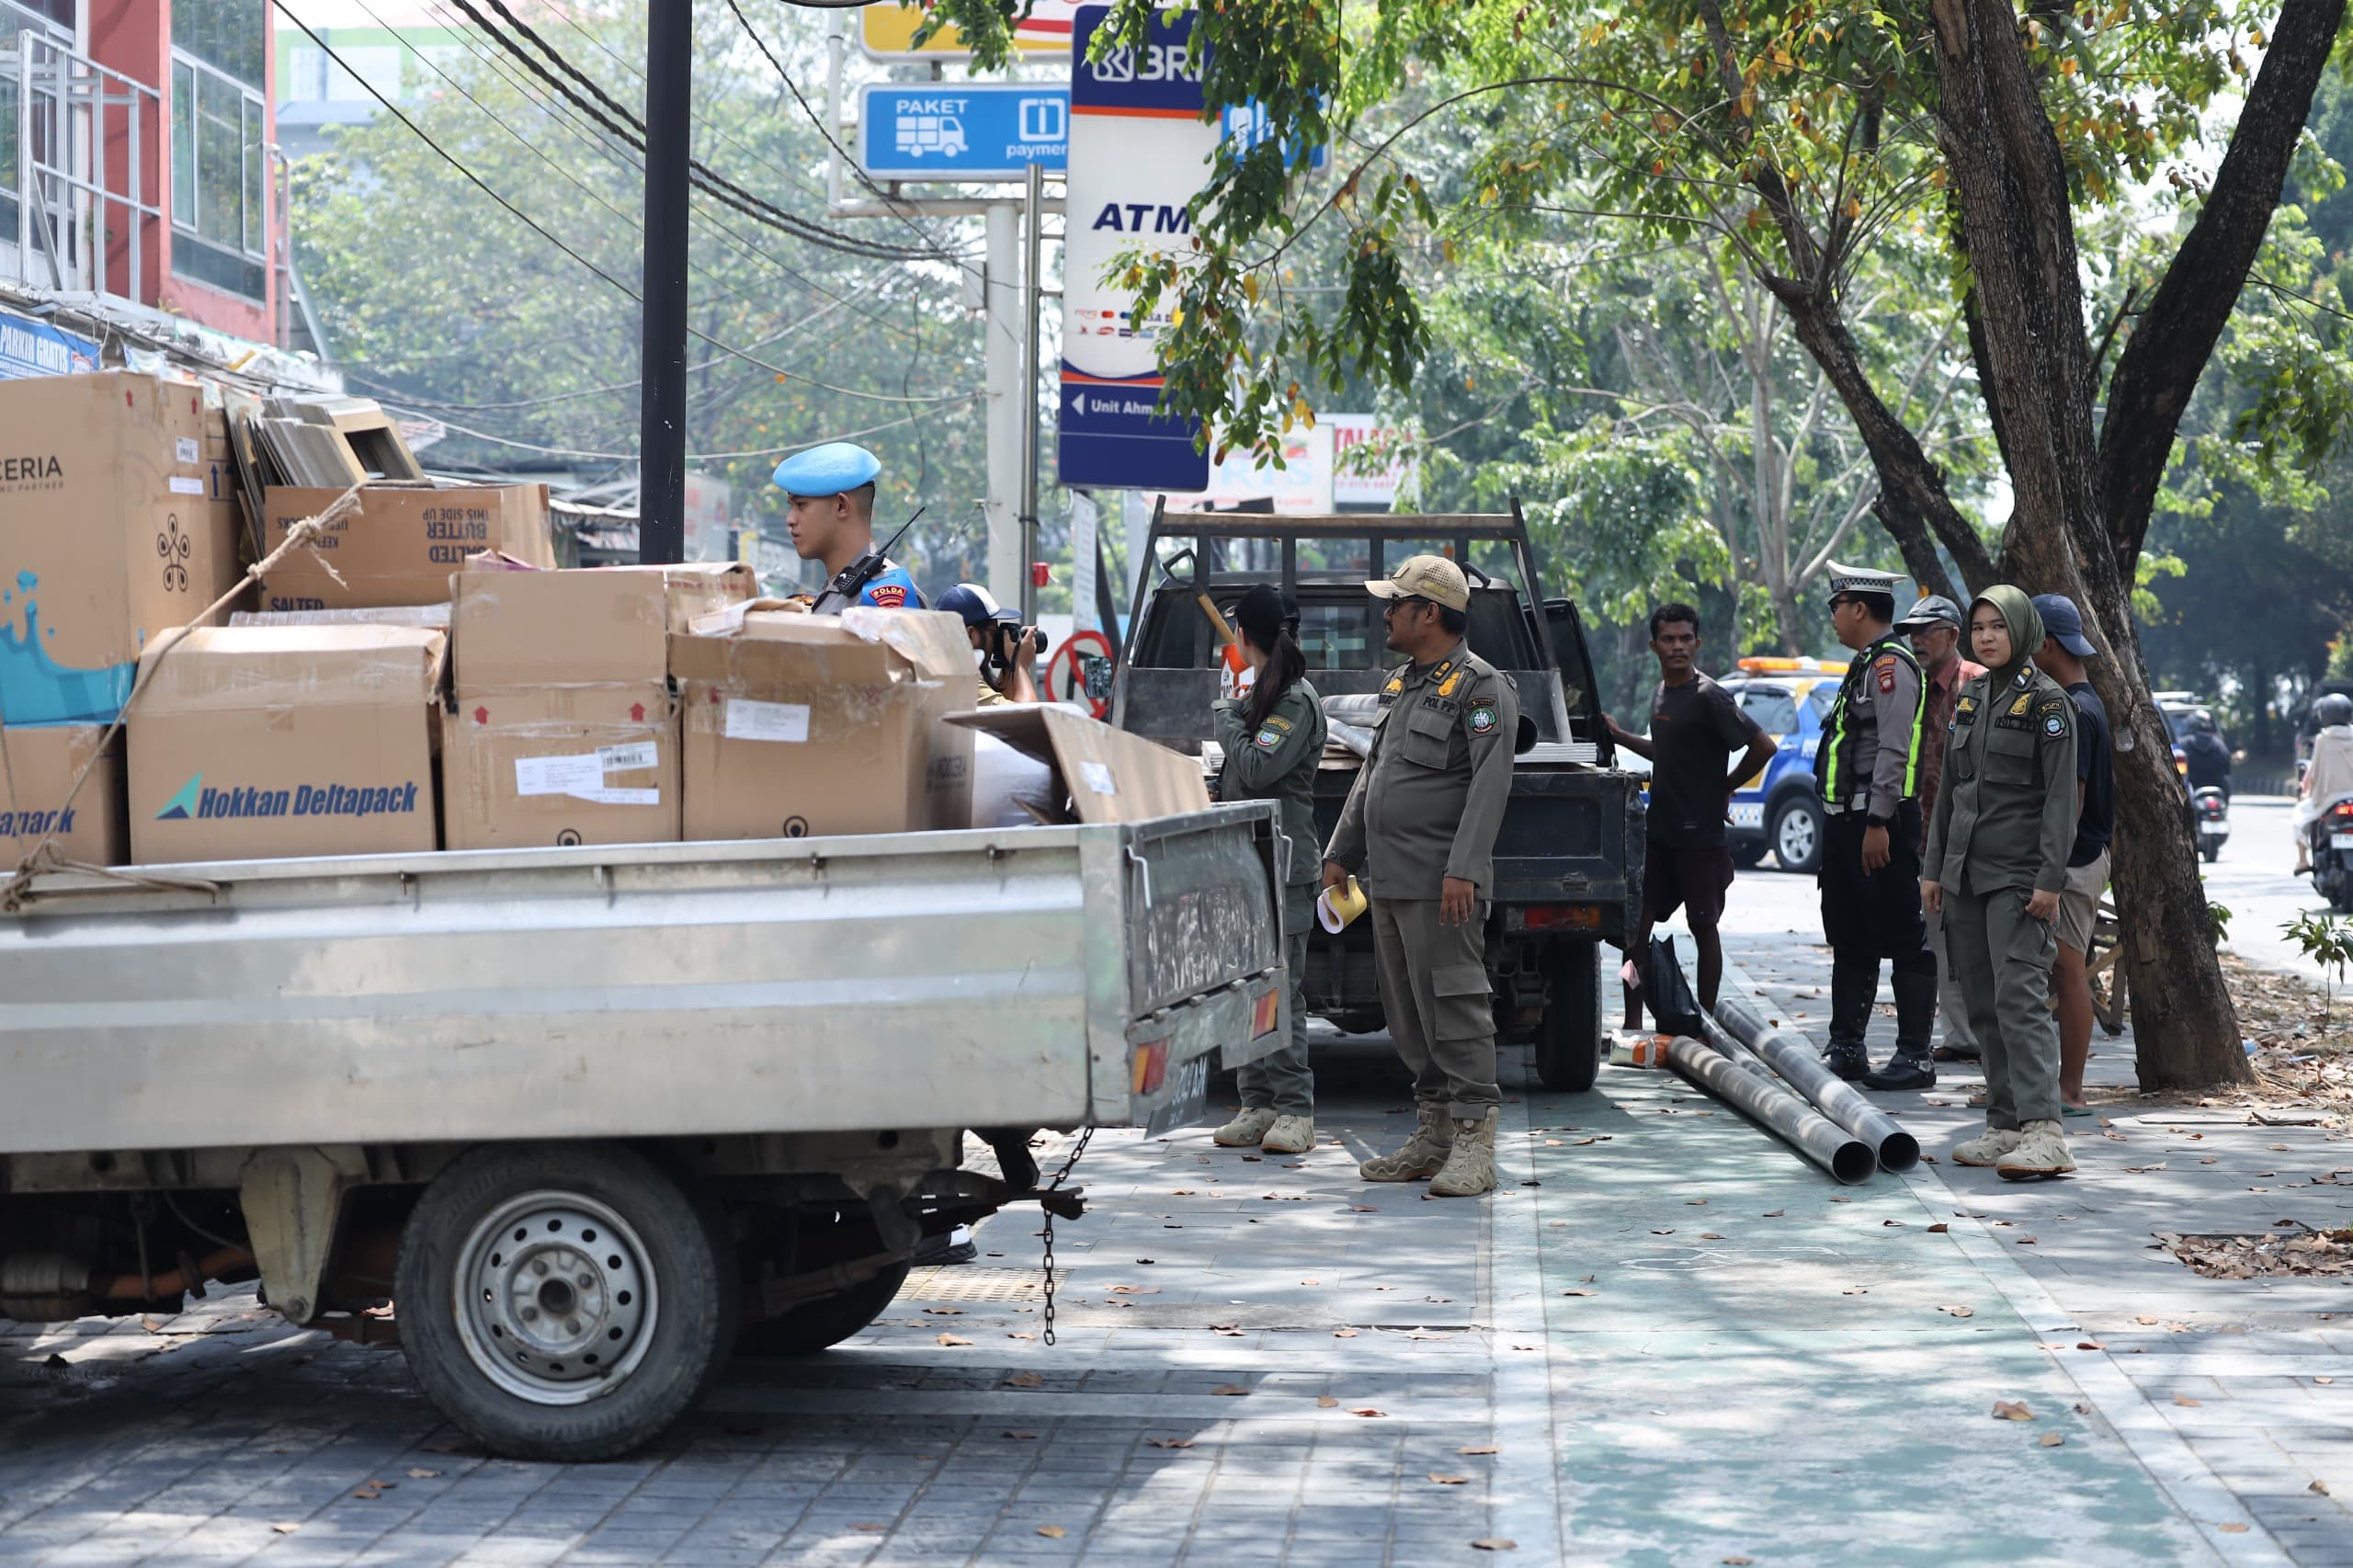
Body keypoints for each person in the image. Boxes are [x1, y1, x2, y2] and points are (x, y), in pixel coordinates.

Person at [1323, 555, 1518, 1198]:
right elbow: (1371, 775)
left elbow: (1490, 786)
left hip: (1443, 888)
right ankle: (1433, 1135)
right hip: (1387, 882)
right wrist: (1341, 850)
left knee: (1455, 1009)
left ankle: (1473, 1143)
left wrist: (1463, 869)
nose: (1386, 614)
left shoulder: (1481, 688)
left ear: (1428, 612)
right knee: (1407, 1015)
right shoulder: (1400, 684)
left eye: (1395, 603)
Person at [1923, 588, 2080, 1179]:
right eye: (1979, 627)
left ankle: (2046, 1132)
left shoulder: (2048, 703)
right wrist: (1934, 869)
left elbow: (2062, 801)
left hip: (2019, 878)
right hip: (1965, 874)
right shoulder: (1972, 696)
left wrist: (2050, 880)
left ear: (2023, 630)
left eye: (1998, 627)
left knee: (2020, 1002)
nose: (1986, 637)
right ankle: (2005, 1121)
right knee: (1985, 1002)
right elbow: (1949, 793)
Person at [1605, 603, 1776, 1030]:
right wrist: (1622, 737)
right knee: (1636, 933)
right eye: (1668, 639)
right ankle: (1631, 1025)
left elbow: (1763, 747)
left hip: (1701, 838)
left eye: (1685, 638)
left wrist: (1725, 785)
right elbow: (1665, 752)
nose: (1677, 646)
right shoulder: (1663, 693)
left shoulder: (1710, 696)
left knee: (1704, 929)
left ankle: (1706, 1023)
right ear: (1654, 645)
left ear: (1697, 643)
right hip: (1660, 834)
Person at [1211, 585, 1329, 1156]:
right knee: (1244, 990)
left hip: (1284, 870)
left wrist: (1225, 719)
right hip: (1246, 867)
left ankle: (1294, 1111)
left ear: (1244, 636)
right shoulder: (1265, 693)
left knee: (1280, 993)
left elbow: (1258, 766)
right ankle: (1255, 1104)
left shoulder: (1296, 701)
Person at [1812, 564, 1938, 1089]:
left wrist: (1879, 820)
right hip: (1848, 822)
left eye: (1835, 606)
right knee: (1850, 933)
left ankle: (1915, 1056)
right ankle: (1847, 1046)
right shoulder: (1865, 664)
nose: (1834, 618)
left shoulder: (1891, 667)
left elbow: (1894, 748)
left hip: (1876, 821)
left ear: (1858, 608)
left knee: (1902, 934)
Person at [2030, 594, 2113, 1119]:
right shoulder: (2082, 701)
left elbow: (2073, 798)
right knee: (2057, 969)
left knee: (2067, 969)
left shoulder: (2076, 710)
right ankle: (2042, 1084)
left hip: (2074, 860)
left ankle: (2071, 1090)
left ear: (2047, 644)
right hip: (2077, 857)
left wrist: (2052, 870)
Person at [1898, 594, 1986, 1067]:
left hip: (1973, 839)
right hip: (1928, 835)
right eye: (1911, 631)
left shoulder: (1977, 683)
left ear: (1953, 635)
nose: (1916, 639)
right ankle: (1961, 1035)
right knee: (1942, 940)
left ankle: (1986, 1035)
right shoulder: (1914, 685)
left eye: (1925, 630)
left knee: (1977, 942)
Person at [769, 441, 924, 609]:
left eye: (801, 505)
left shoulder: (879, 599)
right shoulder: (839, 591)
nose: (790, 519)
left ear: (841, 506)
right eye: (791, 506)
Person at [935, 583, 1041, 707]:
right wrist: (1020, 665)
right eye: (994, 632)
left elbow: (1005, 706)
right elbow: (1028, 717)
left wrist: (1008, 665)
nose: (998, 639)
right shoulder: (962, 681)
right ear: (970, 634)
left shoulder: (942, 668)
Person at [2295, 693, 2353, 872]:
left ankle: (2303, 860)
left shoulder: (2323, 739)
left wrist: (2307, 792)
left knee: (2299, 816)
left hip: (2330, 799)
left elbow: (2316, 771)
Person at [2181, 712, 2233, 798]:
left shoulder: (2185, 743)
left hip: (2195, 783)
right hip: (2217, 783)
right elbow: (2226, 760)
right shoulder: (2218, 743)